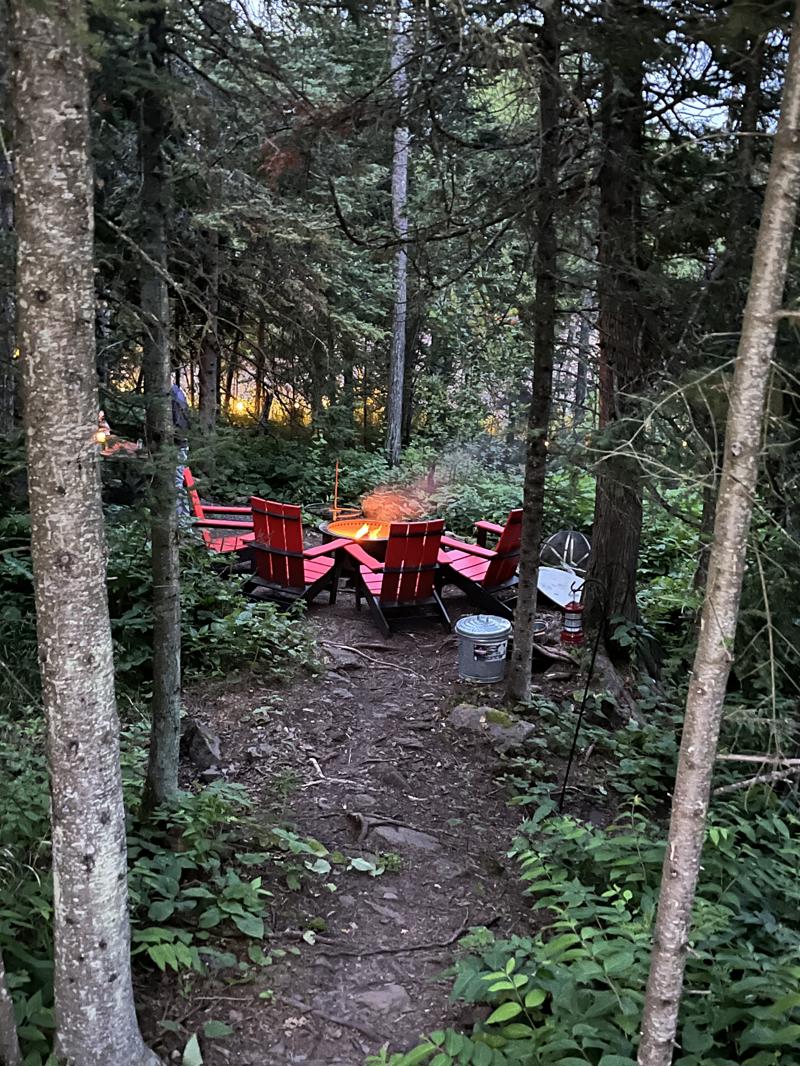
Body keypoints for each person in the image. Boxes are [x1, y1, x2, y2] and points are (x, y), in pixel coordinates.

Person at [171, 381, 191, 520]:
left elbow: (178, 424)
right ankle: (182, 521)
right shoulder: (177, 394)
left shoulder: (173, 396)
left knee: (176, 484)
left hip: (176, 445)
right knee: (176, 483)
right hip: (179, 443)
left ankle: (183, 523)